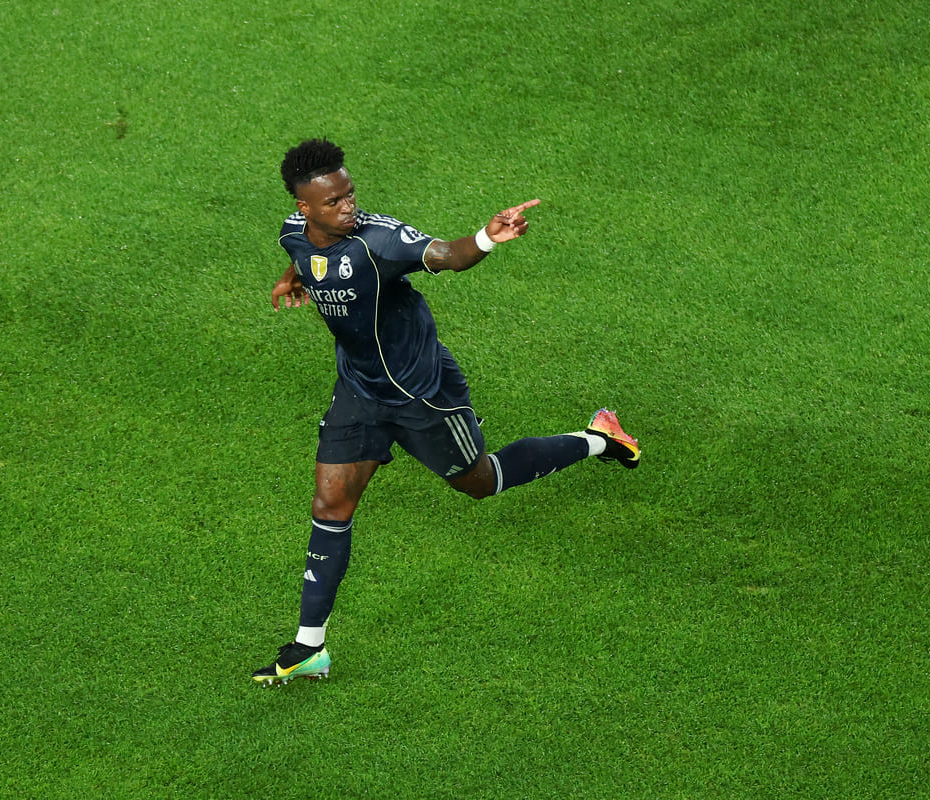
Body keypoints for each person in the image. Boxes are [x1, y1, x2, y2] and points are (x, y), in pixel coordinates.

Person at [252, 139, 640, 686]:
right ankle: (309, 647)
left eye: (350, 194)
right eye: (335, 201)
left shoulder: (378, 241)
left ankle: (599, 437)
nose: (349, 206)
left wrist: (488, 236)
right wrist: (295, 278)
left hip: (423, 395)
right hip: (360, 391)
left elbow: (446, 256)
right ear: (305, 208)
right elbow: (306, 257)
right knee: (330, 504)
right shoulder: (294, 236)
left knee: (480, 482)